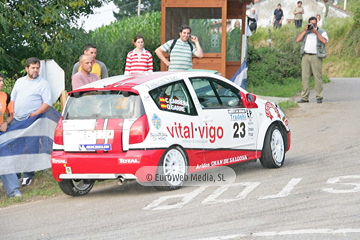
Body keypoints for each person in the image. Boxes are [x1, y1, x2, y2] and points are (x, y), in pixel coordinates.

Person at [10, 57, 52, 185]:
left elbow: (47, 102)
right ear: (27, 68)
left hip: (33, 120)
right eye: (33, 68)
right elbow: (13, 99)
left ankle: (28, 175)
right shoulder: (19, 82)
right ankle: (16, 175)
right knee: (16, 147)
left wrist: (35, 114)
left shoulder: (43, 83)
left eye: (37, 68)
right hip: (17, 120)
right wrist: (12, 114)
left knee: (31, 147)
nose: (35, 70)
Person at [296, 17, 329, 104]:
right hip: (306, 55)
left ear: (317, 23)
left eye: (314, 24)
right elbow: (298, 40)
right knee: (305, 77)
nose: (313, 26)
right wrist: (304, 31)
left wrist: (316, 32)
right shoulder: (306, 32)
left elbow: (324, 41)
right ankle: (305, 97)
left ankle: (319, 96)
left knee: (317, 77)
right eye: (311, 24)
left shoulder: (322, 31)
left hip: (316, 56)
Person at [0, 73, 22, 197]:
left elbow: (10, 114)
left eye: (2, 80)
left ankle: (13, 191)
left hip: (1, 133)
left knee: (6, 160)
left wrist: (6, 123)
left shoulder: (5, 96)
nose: (2, 83)